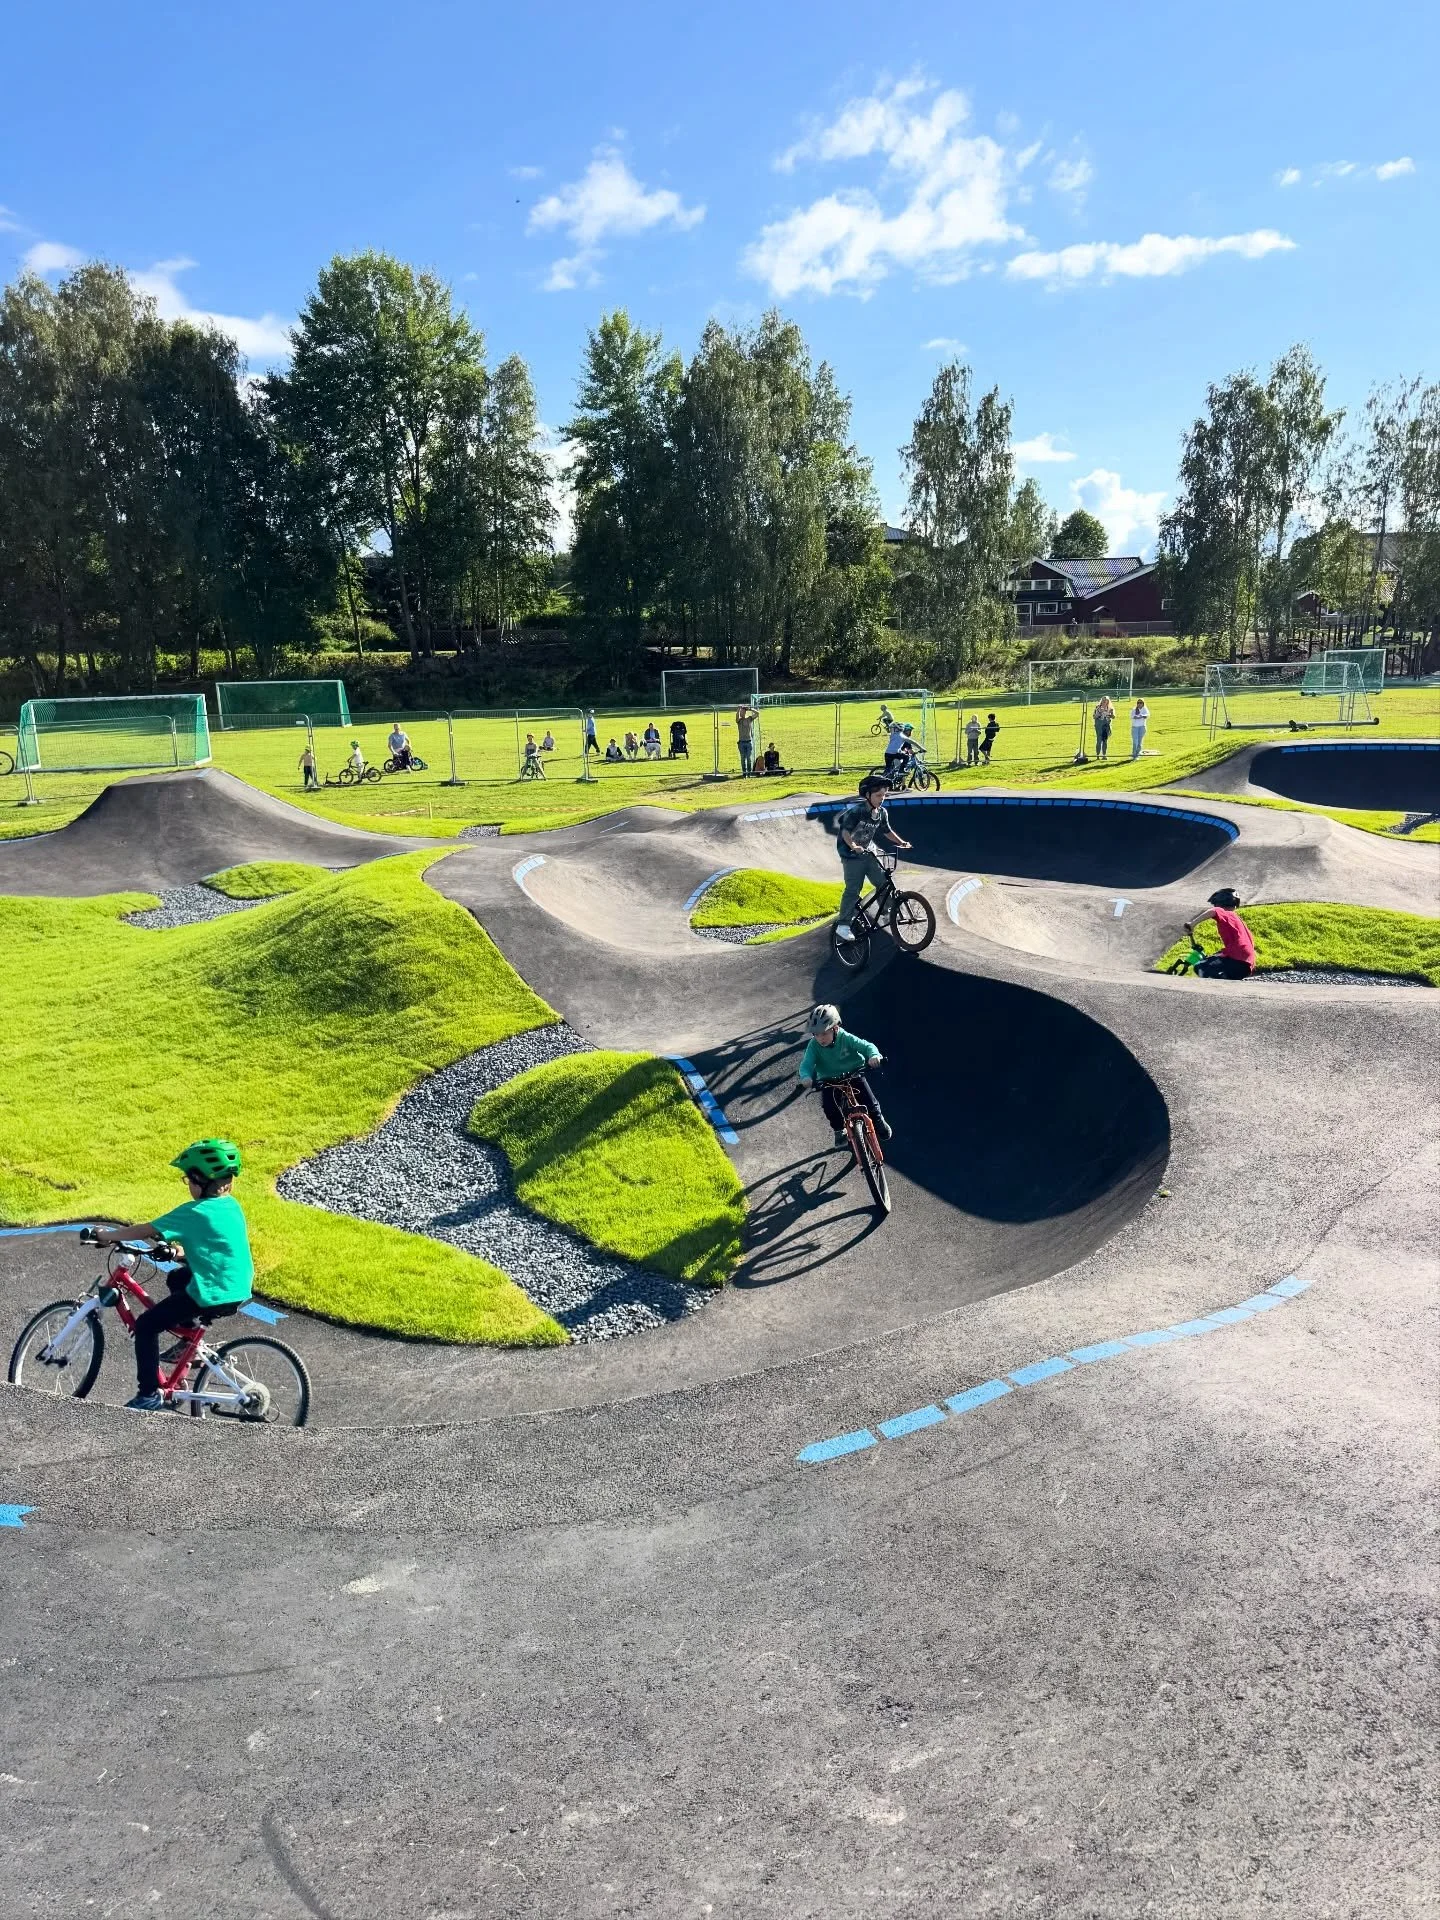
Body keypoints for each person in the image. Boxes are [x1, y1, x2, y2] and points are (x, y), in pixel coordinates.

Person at [89, 1139, 253, 1413]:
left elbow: (145, 1230)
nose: (188, 1184)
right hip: (235, 1286)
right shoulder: (231, 1206)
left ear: (199, 1180)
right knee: (177, 1279)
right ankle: (188, 1341)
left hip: (212, 1290)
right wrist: (178, 1254)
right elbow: (215, 1248)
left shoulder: (194, 1211)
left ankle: (148, 1395)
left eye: (188, 1178)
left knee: (147, 1326)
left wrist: (106, 1236)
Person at [797, 1004, 892, 1150]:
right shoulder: (813, 1045)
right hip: (829, 1079)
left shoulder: (845, 1037)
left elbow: (866, 1046)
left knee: (870, 1102)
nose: (820, 1038)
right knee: (829, 1107)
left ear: (835, 1028)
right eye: (816, 1034)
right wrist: (805, 1077)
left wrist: (873, 1056)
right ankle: (839, 1130)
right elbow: (806, 1064)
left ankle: (879, 1121)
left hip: (853, 1073)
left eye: (824, 1033)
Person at [834, 775, 911, 943]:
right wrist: (854, 846)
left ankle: (886, 914)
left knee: (883, 883)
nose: (881, 799)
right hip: (851, 854)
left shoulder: (882, 813)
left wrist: (901, 842)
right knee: (853, 889)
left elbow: (887, 831)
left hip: (868, 852)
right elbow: (846, 832)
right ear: (867, 795)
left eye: (884, 795)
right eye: (878, 796)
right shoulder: (857, 811)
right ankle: (843, 926)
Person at [1184, 888, 1256, 981]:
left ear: (1219, 903)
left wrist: (1192, 924)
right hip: (1246, 965)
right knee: (1214, 961)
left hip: (1236, 959)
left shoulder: (1225, 912)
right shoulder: (1236, 919)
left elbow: (1214, 911)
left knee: (1200, 967)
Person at [883, 716, 909, 782]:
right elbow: (891, 725)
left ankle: (882, 779)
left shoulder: (892, 734)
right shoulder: (900, 736)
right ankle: (901, 770)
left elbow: (891, 726)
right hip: (895, 753)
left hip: (887, 753)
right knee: (906, 757)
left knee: (888, 769)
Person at [735, 703, 758, 776]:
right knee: (742, 759)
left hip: (748, 742)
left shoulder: (749, 719)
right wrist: (738, 709)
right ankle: (744, 773)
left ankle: (749, 772)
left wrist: (750, 709)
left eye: (743, 712)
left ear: (745, 712)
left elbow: (757, 714)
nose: (741, 713)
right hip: (741, 742)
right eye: (741, 712)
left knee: (748, 758)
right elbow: (736, 717)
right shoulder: (739, 721)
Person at [1093, 696, 1114, 762]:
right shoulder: (1097, 707)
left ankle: (1104, 755)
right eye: (1103, 700)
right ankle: (1097, 755)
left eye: (1106, 700)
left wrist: (1111, 715)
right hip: (1099, 725)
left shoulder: (1110, 708)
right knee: (1099, 740)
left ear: (1108, 701)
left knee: (1105, 740)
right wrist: (1099, 714)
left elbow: (1113, 717)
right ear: (1101, 701)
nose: (1104, 701)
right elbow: (1094, 716)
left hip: (1106, 725)